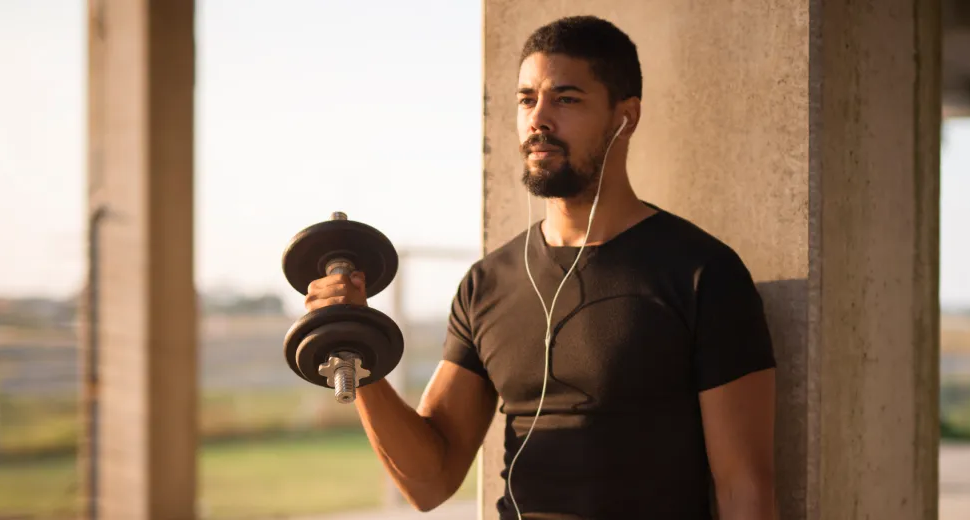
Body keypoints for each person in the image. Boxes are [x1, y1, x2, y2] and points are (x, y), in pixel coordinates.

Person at [304, 15, 777, 520]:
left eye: (566, 99)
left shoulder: (703, 273)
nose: (539, 120)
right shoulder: (486, 285)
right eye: (527, 100)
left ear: (626, 116)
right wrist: (354, 345)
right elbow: (430, 481)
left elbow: (744, 488)